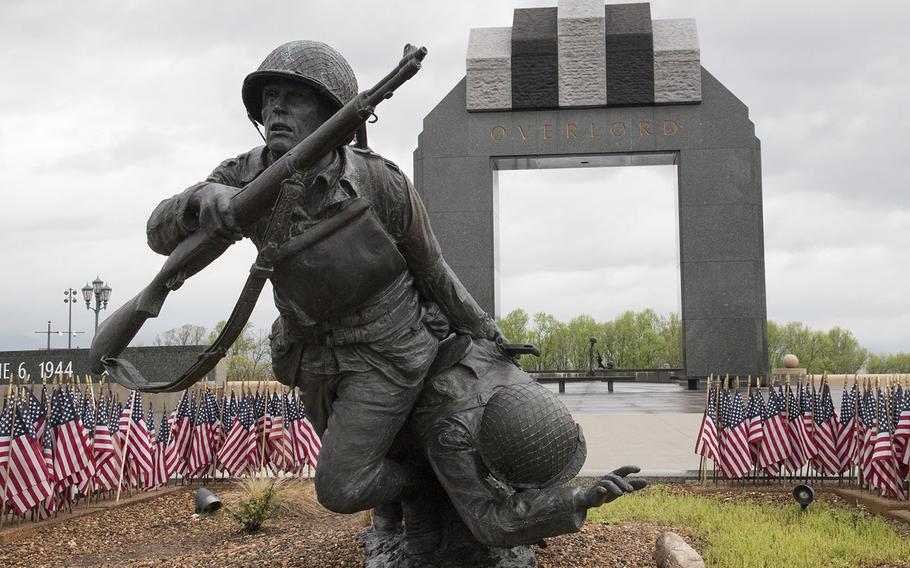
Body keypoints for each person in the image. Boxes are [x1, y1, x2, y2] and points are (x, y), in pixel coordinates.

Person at [145, 40, 499, 514]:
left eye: (295, 98)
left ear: (335, 116)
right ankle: (404, 517)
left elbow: (432, 269)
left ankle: (424, 493)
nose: (277, 108)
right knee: (366, 459)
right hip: (308, 355)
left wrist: (485, 332)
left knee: (340, 486)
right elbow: (158, 233)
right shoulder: (242, 175)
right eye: (270, 97)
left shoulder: (382, 182)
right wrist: (198, 199)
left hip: (387, 350)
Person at [408, 338, 647, 549]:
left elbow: (524, 453)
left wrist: (537, 520)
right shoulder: (451, 438)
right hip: (408, 431)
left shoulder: (523, 386)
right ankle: (392, 515)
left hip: (455, 366)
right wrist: (578, 498)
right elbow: (487, 519)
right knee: (427, 524)